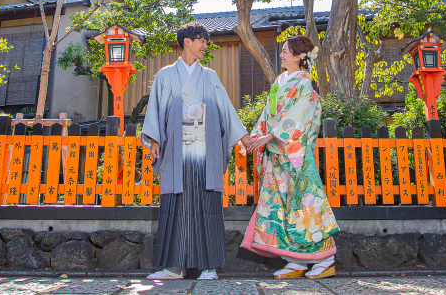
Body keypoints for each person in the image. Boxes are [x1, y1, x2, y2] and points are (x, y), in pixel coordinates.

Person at [141, 22, 252, 280]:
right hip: (176, 151)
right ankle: (173, 267)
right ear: (186, 42)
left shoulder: (210, 77)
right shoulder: (165, 76)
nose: (205, 45)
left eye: (206, 41)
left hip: (205, 149)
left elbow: (226, 110)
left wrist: (244, 137)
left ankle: (208, 266)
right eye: (200, 40)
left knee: (207, 204)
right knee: (174, 204)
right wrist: (154, 139)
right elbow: (156, 110)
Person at [241, 35, 339, 279]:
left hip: (295, 155)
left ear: (298, 57)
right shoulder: (280, 80)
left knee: (306, 204)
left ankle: (325, 259)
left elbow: (299, 116)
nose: (281, 54)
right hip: (277, 154)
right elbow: (268, 112)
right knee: (280, 207)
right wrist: (256, 137)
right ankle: (294, 260)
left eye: (285, 51)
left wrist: (271, 136)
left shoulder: (305, 83)